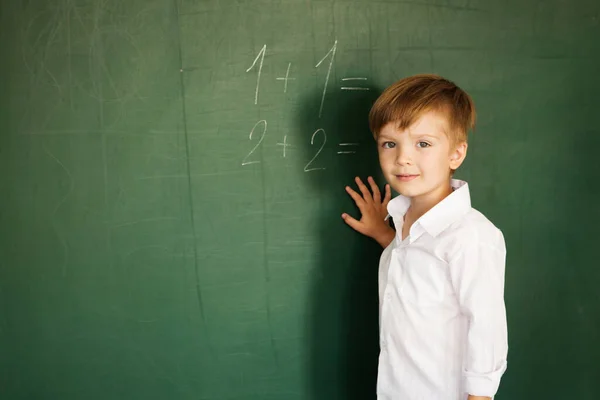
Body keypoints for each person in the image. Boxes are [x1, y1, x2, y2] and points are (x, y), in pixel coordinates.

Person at [341, 74, 508, 400]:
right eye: (390, 143)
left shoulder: (470, 236)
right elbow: (418, 264)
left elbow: (487, 332)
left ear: (456, 154)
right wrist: (383, 233)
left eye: (423, 144)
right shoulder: (405, 222)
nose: (403, 157)